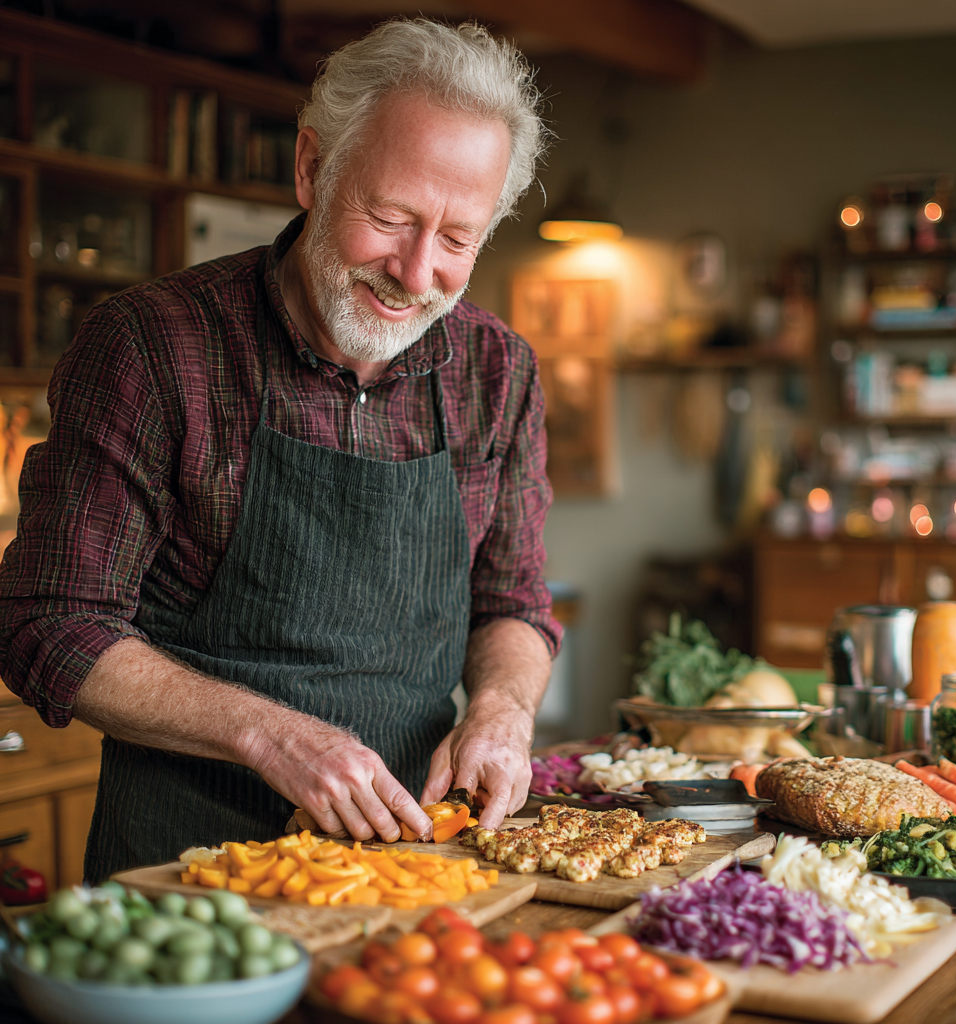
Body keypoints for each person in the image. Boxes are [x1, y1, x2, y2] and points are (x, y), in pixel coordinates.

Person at [0, 18, 561, 881]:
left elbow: (514, 604)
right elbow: (49, 621)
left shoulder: (498, 371)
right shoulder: (153, 346)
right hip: (189, 869)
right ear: (311, 169)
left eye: (457, 240)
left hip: (422, 863)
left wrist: (501, 711)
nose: (415, 275)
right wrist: (272, 734)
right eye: (389, 217)